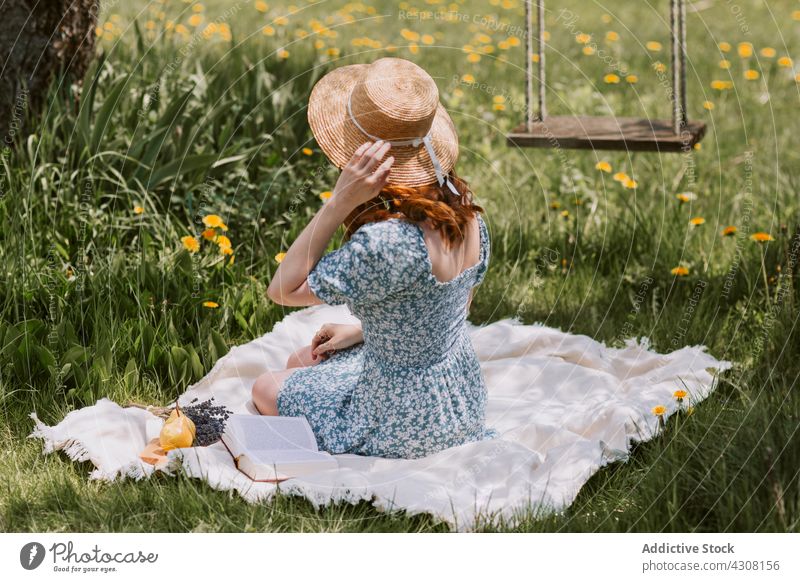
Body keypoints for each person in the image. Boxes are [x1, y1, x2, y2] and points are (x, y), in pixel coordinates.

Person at [252, 57, 497, 459]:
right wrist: (364, 331)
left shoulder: (388, 242)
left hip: (400, 419)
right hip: (459, 403)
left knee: (265, 386)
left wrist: (339, 202)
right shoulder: (466, 214)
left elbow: (283, 288)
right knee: (303, 357)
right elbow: (449, 310)